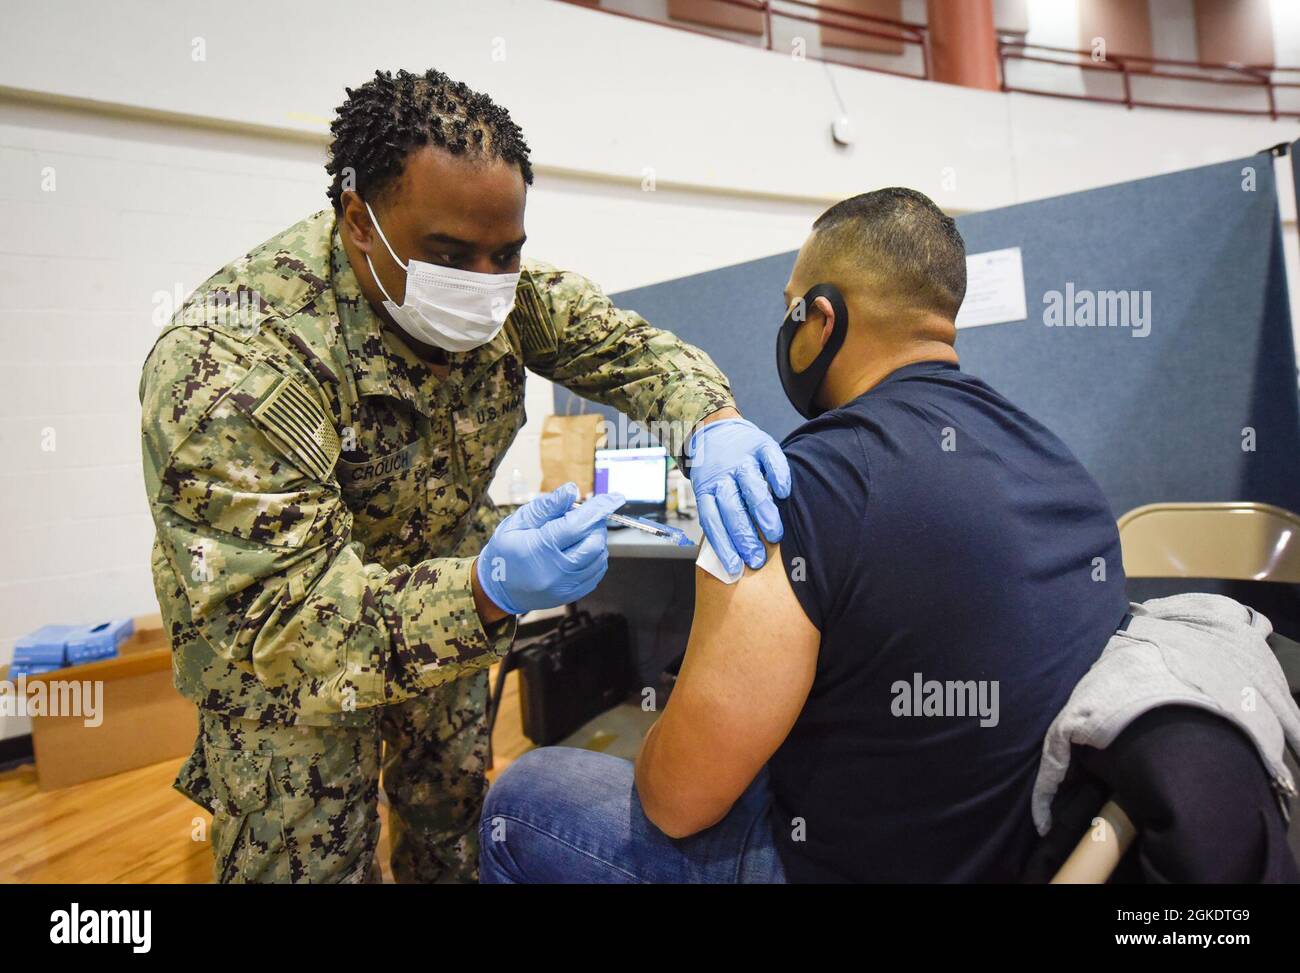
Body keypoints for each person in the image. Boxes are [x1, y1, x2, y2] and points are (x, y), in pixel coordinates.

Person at [139, 68, 790, 884]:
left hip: (442, 607)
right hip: (286, 669)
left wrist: (712, 420)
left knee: (450, 829)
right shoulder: (232, 363)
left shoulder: (497, 286)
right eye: (451, 255)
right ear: (358, 221)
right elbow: (283, 620)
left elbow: (623, 348)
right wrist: (486, 587)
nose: (485, 284)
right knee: (306, 861)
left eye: (506, 253)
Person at [479, 188, 1130, 883]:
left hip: (842, 865)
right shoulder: (1064, 469)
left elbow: (674, 802)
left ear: (821, 317)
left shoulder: (798, 491)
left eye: (789, 306)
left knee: (523, 794)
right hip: (1016, 850)